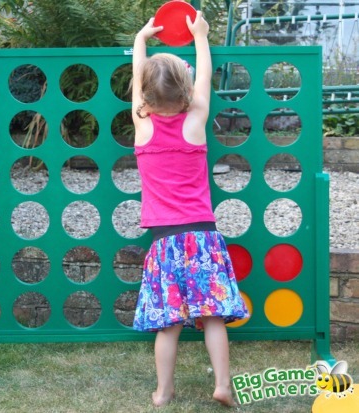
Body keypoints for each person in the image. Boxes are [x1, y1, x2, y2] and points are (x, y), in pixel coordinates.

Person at [131, 11, 250, 408]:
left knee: (169, 325)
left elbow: (137, 82)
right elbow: (205, 79)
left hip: (164, 242)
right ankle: (222, 385)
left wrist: (141, 40)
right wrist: (200, 36)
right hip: (202, 236)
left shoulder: (142, 124)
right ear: (184, 92)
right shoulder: (195, 120)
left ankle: (163, 392)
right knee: (212, 316)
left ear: (145, 96)